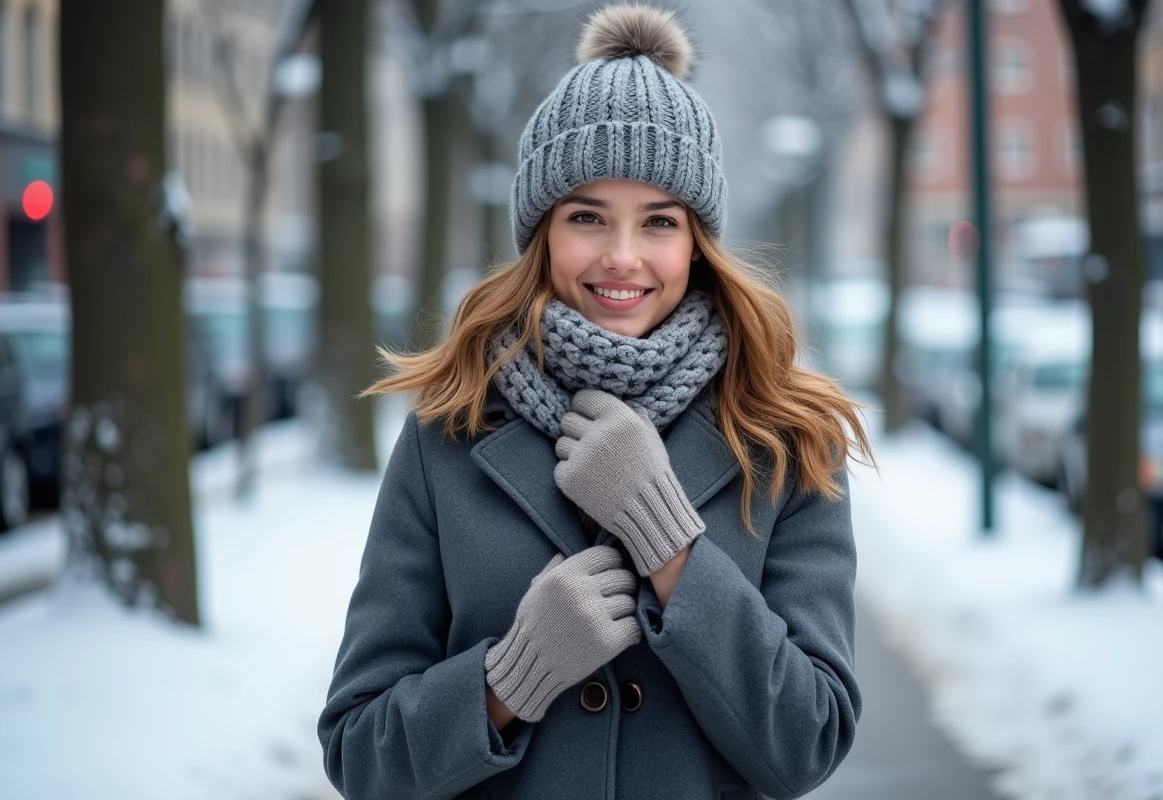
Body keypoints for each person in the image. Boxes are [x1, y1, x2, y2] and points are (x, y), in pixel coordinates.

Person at [318, 4, 871, 798]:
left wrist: (669, 542)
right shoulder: (448, 433)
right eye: (587, 217)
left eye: (659, 221)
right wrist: (508, 681)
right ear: (541, 231)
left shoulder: (785, 439)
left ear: (697, 241)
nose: (622, 256)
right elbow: (359, 754)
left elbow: (807, 740)